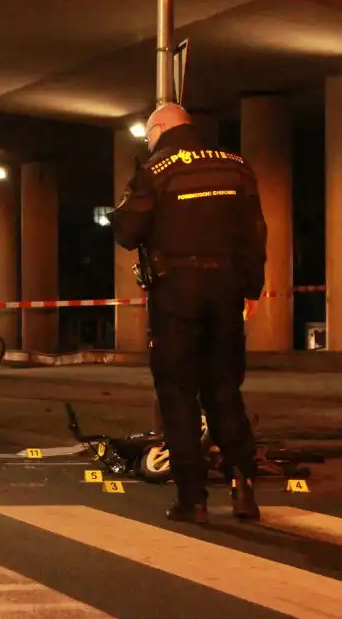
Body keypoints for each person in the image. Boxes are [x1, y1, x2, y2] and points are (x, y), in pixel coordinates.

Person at [110, 102, 268, 524]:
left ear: (160, 128)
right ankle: (242, 484)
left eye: (148, 135)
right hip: (227, 290)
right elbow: (256, 232)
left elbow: (127, 232)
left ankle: (192, 497)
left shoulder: (157, 169)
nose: (149, 141)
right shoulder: (236, 166)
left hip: (177, 291)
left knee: (177, 390)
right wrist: (251, 288)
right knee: (224, 388)